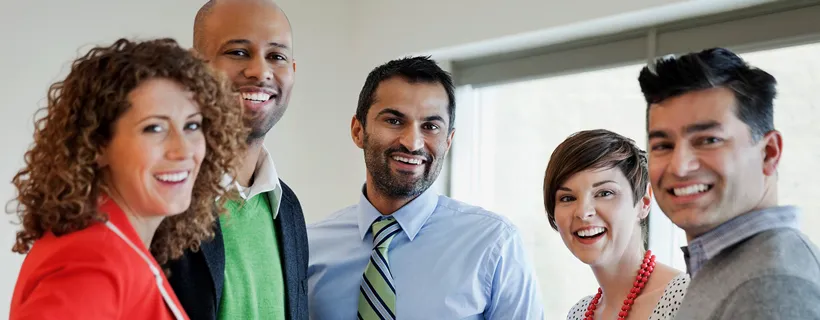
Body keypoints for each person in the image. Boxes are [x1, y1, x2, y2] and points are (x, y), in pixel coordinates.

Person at [8, 38, 246, 320]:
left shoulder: (117, 245)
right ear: (97, 145)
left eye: (192, 125)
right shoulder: (92, 264)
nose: (183, 149)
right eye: (154, 128)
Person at [306, 56, 544, 319]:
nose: (412, 142)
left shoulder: (495, 244)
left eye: (430, 126)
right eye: (394, 121)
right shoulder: (310, 247)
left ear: (448, 140)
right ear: (358, 131)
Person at [639, 47, 820, 319]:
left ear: (769, 152)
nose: (679, 166)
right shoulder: (731, 267)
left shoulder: (770, 286)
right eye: (663, 145)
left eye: (709, 140)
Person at [164, 1, 308, 319]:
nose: (260, 71)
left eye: (276, 56)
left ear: (293, 71)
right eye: (238, 52)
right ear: (194, 67)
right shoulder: (160, 199)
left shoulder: (289, 210)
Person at [543, 129, 689, 320]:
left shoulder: (685, 298)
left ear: (643, 202)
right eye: (567, 198)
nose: (583, 212)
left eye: (604, 193)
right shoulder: (579, 314)